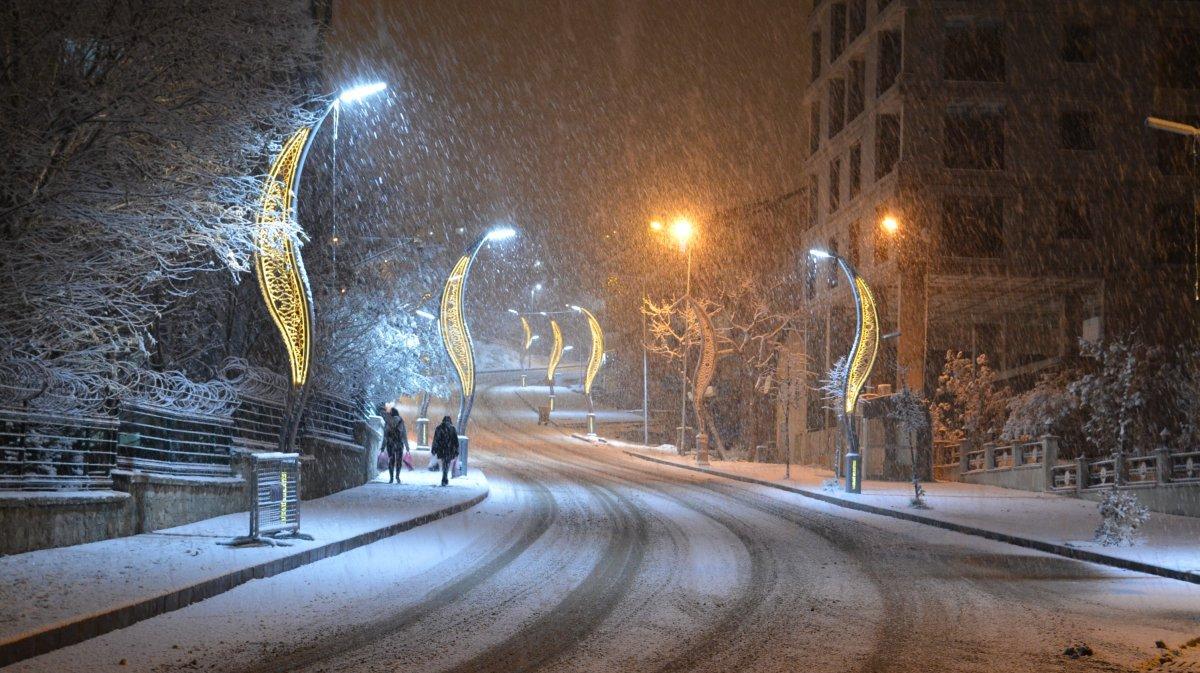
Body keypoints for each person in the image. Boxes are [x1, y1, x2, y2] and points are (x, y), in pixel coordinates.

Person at [431, 415, 459, 487]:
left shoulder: (439, 428)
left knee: (445, 462)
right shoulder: (452, 429)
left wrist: (434, 449)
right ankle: (445, 477)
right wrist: (456, 451)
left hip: (442, 449)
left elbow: (435, 440)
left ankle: (444, 477)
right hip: (449, 449)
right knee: (447, 463)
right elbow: (456, 441)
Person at [384, 408, 410, 484]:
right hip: (399, 443)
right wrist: (407, 446)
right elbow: (404, 434)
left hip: (390, 443)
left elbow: (385, 435)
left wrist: (383, 446)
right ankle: (397, 476)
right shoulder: (401, 421)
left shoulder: (388, 421)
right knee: (399, 461)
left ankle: (391, 478)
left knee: (391, 460)